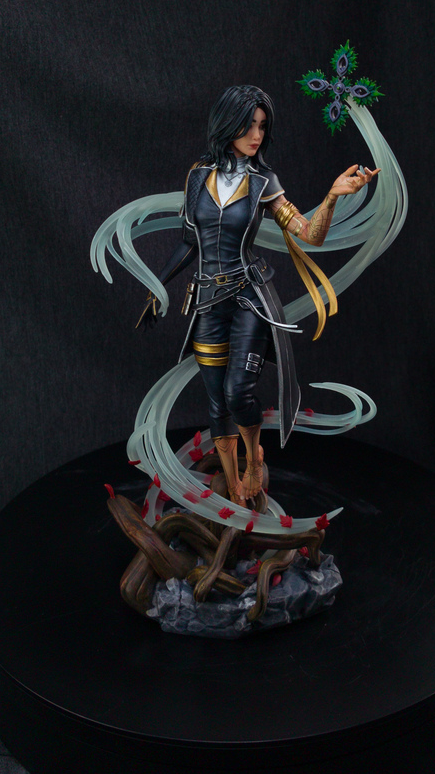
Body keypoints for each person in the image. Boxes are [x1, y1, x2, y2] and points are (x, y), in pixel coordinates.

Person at [136, 85, 379, 507]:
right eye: (249, 124)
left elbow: (310, 234)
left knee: (238, 394)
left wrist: (332, 197)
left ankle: (253, 461)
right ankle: (232, 485)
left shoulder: (263, 182)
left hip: (248, 299)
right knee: (217, 402)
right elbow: (188, 242)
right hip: (207, 301)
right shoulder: (198, 176)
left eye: (263, 126)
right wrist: (157, 287)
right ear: (227, 123)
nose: (256, 135)